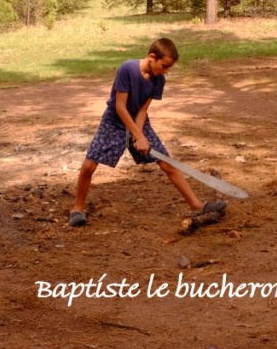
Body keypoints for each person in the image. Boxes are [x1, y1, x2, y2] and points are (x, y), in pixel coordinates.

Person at [69, 38, 226, 227]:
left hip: (139, 122)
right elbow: (120, 107)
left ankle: (197, 206)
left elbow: (142, 111)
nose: (166, 70)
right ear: (152, 57)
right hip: (114, 122)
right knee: (89, 165)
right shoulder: (127, 69)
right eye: (165, 65)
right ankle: (77, 208)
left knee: (167, 164)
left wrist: (139, 134)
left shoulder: (159, 80)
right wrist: (138, 136)